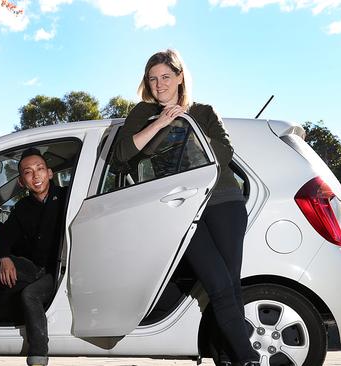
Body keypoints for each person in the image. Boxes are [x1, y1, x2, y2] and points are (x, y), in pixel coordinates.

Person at [113, 49, 260, 366]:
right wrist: (160, 124)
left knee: (230, 286)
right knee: (217, 284)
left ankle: (234, 358)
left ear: (180, 77)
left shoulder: (204, 112)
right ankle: (247, 357)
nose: (159, 84)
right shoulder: (143, 113)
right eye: (153, 78)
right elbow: (122, 155)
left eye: (166, 76)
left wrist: (186, 122)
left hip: (223, 202)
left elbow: (222, 154)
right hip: (180, 209)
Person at [0, 148, 68, 366]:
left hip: (58, 271)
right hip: (36, 269)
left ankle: (38, 356)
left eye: (40, 169)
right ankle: (0, 318)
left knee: (30, 295)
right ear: (22, 182)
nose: (36, 175)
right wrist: (3, 258)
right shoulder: (21, 208)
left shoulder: (66, 197)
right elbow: (2, 239)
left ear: (50, 173)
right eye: (28, 172)